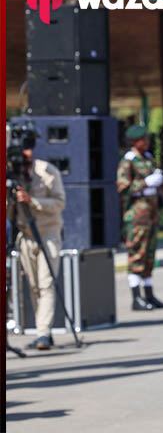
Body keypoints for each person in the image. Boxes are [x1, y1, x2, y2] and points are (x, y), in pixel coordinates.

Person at [7, 141, 65, 350]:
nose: (27, 153)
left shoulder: (47, 171)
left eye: (29, 148)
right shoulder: (11, 173)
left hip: (48, 233)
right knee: (34, 286)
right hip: (26, 235)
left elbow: (60, 203)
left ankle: (43, 333)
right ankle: (42, 332)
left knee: (46, 284)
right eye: (23, 149)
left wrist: (32, 201)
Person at [117, 124, 163, 311]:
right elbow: (123, 187)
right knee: (137, 254)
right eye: (143, 140)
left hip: (151, 212)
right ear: (134, 141)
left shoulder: (147, 159)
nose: (146, 142)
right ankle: (136, 298)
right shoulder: (128, 161)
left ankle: (148, 294)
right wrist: (145, 183)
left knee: (149, 254)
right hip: (137, 214)